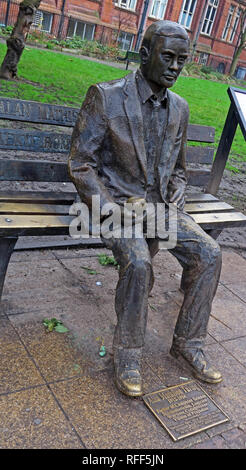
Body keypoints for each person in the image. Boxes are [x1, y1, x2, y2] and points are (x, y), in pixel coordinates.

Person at [68, 20, 222, 397]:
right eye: (167, 57)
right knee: (139, 261)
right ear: (144, 54)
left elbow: (180, 170)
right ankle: (129, 354)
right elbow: (81, 164)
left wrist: (176, 199)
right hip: (116, 205)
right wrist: (107, 208)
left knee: (210, 253)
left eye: (182, 61)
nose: (174, 67)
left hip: (160, 209)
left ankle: (189, 342)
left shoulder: (180, 108)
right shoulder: (107, 97)